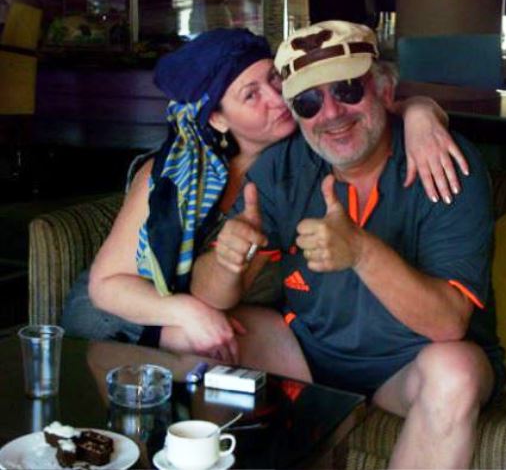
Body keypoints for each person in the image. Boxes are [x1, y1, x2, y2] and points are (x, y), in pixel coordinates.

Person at [61, 27, 471, 373]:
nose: (277, 101)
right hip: (124, 314)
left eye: (275, 81)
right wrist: (188, 311)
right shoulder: (173, 172)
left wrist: (421, 113)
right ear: (217, 118)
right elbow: (107, 286)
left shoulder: (313, 146)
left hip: (233, 315)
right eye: (250, 95)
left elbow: (367, 105)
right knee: (204, 339)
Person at [191, 20, 505, 468]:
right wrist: (227, 260)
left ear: (384, 91)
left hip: (408, 367)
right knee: (193, 331)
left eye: (347, 90)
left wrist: (361, 252)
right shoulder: (283, 167)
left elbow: (448, 323)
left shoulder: (443, 161)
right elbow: (209, 297)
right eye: (309, 102)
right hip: (306, 356)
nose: (332, 113)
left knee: (457, 372)